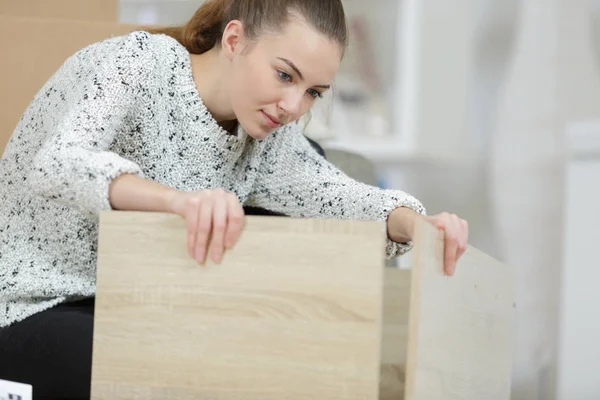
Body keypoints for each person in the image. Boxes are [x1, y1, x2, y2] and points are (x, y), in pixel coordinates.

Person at [0, 0, 469, 398]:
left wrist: (418, 225)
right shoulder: (139, 61)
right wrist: (177, 202)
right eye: (285, 75)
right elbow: (58, 162)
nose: (293, 106)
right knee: (156, 378)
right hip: (30, 302)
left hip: (126, 308)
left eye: (313, 93)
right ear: (233, 40)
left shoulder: (265, 134)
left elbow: (335, 192)